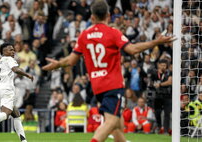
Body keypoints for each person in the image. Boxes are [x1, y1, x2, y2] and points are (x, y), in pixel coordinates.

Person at [42, 0, 174, 141]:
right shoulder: (113, 33)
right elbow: (133, 49)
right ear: (109, 15)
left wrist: (57, 64)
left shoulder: (84, 35)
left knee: (117, 123)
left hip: (97, 86)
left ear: (92, 17)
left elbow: (71, 61)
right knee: (111, 122)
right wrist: (155, 42)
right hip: (112, 84)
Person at [0, 43, 34, 142]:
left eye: (13, 50)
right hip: (7, 91)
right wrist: (27, 75)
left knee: (16, 114)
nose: (13, 52)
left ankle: (23, 140)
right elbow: (15, 69)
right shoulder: (9, 59)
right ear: (4, 52)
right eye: (10, 50)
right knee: (6, 114)